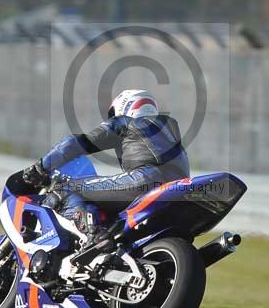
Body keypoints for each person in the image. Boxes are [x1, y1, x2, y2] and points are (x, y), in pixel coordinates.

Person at [22, 89, 190, 243]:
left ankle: (94, 235)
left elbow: (75, 143)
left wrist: (41, 166)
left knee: (65, 189)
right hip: (176, 186)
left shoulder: (125, 122)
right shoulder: (169, 130)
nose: (112, 117)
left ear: (126, 106)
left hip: (146, 178)